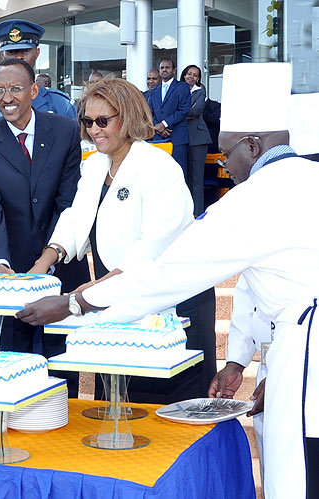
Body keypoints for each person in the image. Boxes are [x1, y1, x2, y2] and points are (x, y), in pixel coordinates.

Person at [17, 62, 319, 499]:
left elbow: (168, 268)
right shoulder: (302, 181)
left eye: (227, 150)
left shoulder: (252, 197)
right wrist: (240, 360)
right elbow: (258, 286)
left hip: (288, 348)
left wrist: (75, 303)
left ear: (252, 145)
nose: (223, 164)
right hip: (293, 346)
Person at [29, 77, 215, 402]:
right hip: (115, 299)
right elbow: (75, 217)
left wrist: (87, 295)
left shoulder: (159, 167)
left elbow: (151, 250)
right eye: (87, 122)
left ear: (127, 118)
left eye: (103, 121)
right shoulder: (95, 165)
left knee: (164, 414)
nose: (94, 130)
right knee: (117, 406)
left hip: (167, 305)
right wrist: (44, 262)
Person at [0, 58, 85, 396]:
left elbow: (68, 201)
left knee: (63, 366)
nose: (6, 98)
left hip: (63, 264)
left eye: (15, 89)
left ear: (34, 90)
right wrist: (1, 263)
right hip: (13, 273)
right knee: (14, 366)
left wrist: (51, 255)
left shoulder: (63, 130)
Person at [0, 20, 77, 145]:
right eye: (11, 52)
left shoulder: (60, 104)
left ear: (37, 53)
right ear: (3, 55)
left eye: (25, 51)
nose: (19, 57)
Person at [208, 276, 272, 482]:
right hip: (268, 367)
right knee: (272, 473)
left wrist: (286, 374)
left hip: (309, 373)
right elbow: (248, 302)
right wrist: (235, 363)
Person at [148, 59, 191, 178]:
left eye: (167, 67)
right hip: (158, 137)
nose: (164, 70)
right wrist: (159, 127)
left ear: (174, 70)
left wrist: (164, 124)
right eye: (162, 68)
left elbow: (183, 110)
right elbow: (149, 112)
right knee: (159, 174)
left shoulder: (183, 87)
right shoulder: (154, 91)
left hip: (177, 137)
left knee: (178, 173)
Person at [180, 65, 212, 217]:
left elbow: (196, 111)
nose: (191, 77)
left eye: (195, 75)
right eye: (188, 74)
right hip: (181, 138)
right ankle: (185, 212)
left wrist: (178, 113)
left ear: (198, 79)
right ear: (184, 75)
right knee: (183, 178)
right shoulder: (177, 91)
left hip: (198, 139)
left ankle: (197, 213)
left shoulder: (200, 92)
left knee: (196, 180)